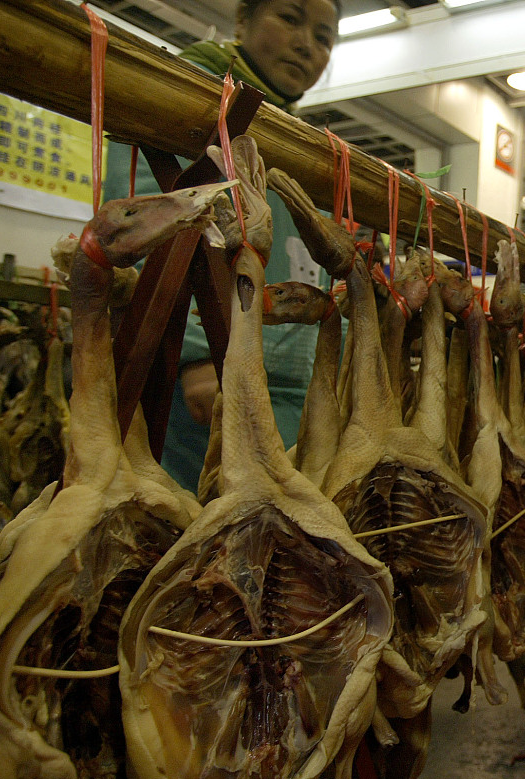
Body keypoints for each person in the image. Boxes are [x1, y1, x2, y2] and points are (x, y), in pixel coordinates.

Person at [103, 0, 340, 491]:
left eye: (324, 37)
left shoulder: (296, 135)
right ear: (241, 20)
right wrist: (194, 355)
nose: (306, 46)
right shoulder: (183, 95)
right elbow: (146, 221)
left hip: (287, 381)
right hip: (209, 369)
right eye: (291, 19)